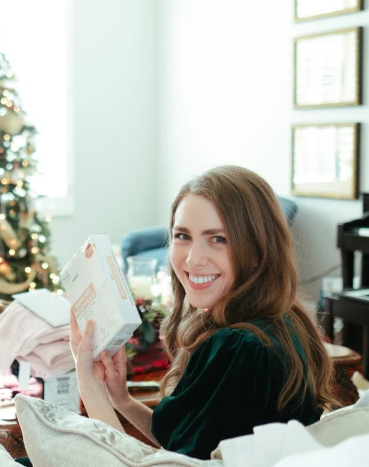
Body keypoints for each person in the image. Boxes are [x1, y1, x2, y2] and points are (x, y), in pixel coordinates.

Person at [69, 165, 339, 460]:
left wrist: (89, 388)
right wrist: (121, 400)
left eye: (218, 239)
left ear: (258, 250)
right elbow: (188, 445)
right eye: (182, 235)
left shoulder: (239, 349)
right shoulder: (284, 320)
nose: (193, 259)